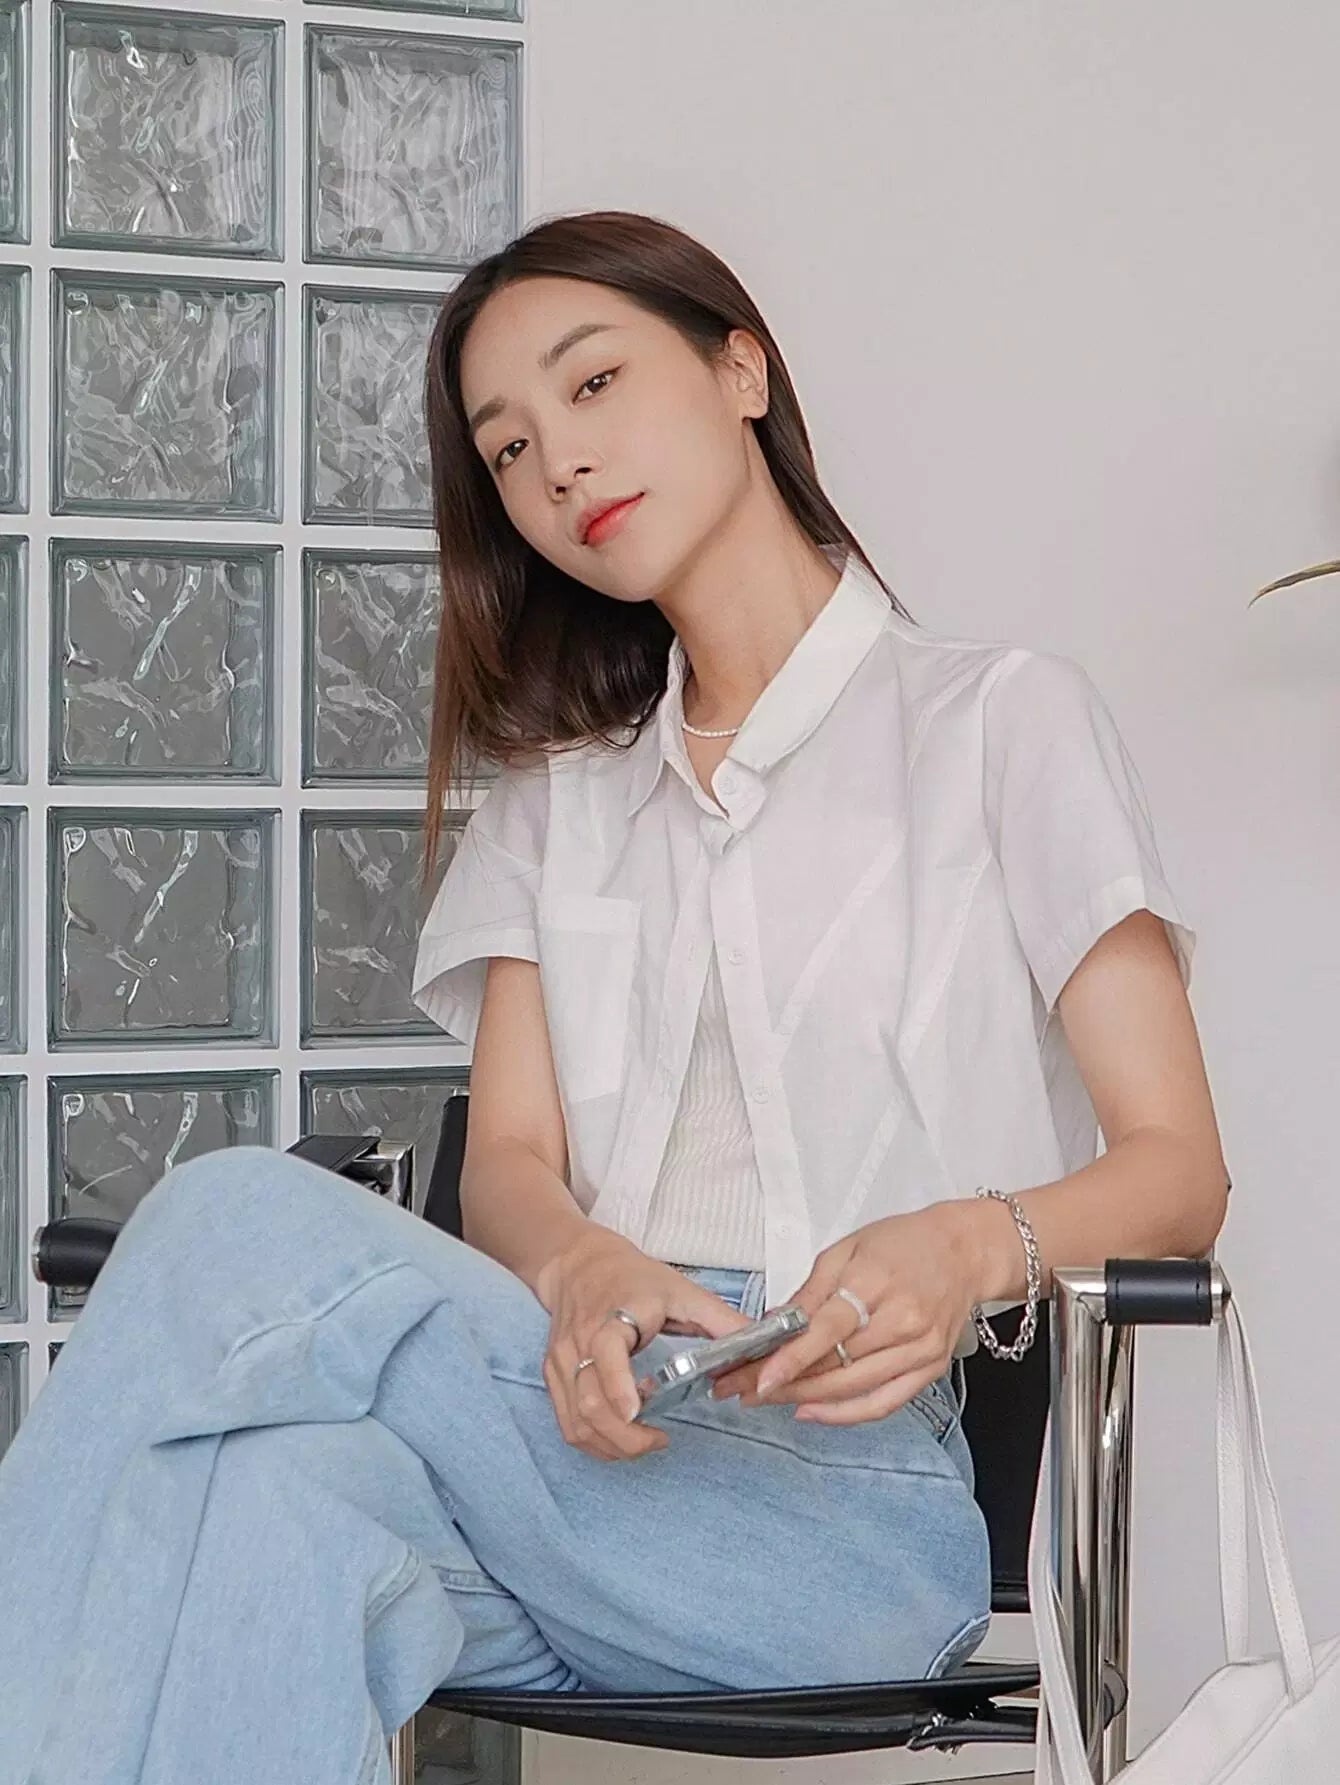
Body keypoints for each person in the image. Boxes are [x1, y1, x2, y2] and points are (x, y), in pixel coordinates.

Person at [0, 209, 1230, 1783]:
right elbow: (512, 1164)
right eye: (508, 449)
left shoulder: (1002, 723)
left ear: (742, 372)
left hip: (836, 1517)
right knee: (263, 1514)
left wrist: (964, 1242)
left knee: (231, 1221)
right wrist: (580, 1267)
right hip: (564, 1435)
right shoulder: (559, 796)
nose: (558, 466)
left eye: (592, 386)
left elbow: (1181, 1170)